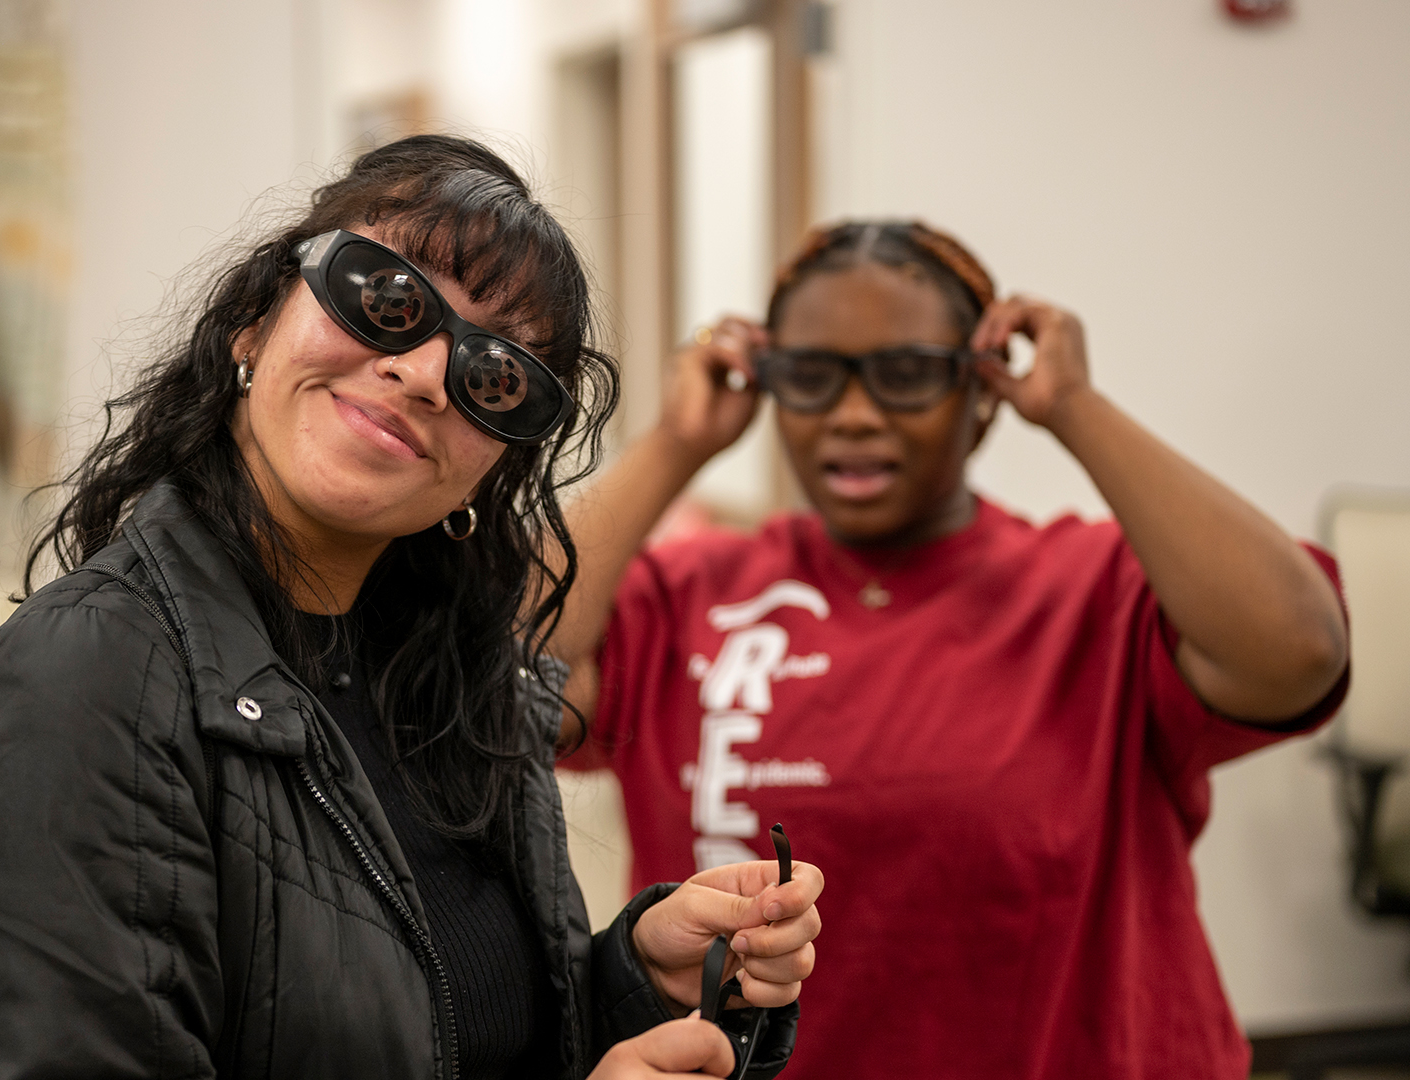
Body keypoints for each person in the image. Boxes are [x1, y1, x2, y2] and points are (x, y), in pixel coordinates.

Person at [0, 136, 824, 1080]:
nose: (422, 374)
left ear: (493, 469)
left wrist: (635, 979)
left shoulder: (452, 681)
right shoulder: (84, 678)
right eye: (386, 299)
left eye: (493, 376)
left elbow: (453, 1028)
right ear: (253, 319)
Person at [551, 220, 1349, 1079]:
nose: (854, 416)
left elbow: (1301, 651)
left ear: (984, 389)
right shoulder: (693, 593)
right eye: (813, 378)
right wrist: (676, 441)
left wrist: (1074, 406)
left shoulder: (1092, 592)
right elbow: (500, 659)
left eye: (906, 375)